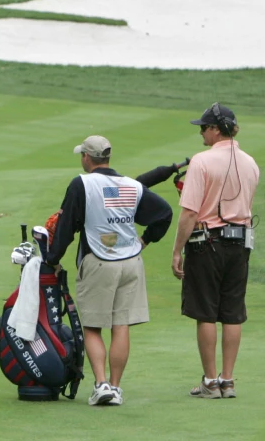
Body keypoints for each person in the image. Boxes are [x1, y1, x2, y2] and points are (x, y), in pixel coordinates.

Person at [45, 136, 172, 407]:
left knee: (92, 327)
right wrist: (145, 241)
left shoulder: (82, 184)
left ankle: (101, 384)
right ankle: (116, 387)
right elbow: (164, 213)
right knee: (120, 325)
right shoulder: (131, 185)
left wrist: (53, 258)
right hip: (131, 262)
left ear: (87, 158)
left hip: (99, 261)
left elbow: (66, 227)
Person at [170, 103, 260, 400]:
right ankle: (228, 380)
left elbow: (189, 213)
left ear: (215, 129)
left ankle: (210, 381)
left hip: (207, 243)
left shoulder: (202, 161)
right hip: (241, 244)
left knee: (206, 312)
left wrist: (176, 251)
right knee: (233, 313)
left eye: (203, 128)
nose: (201, 133)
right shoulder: (251, 163)